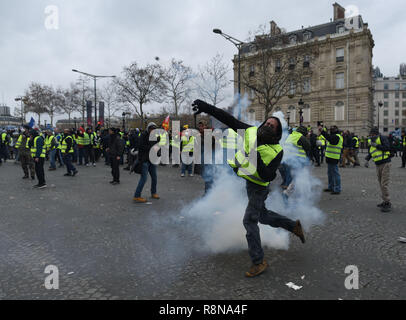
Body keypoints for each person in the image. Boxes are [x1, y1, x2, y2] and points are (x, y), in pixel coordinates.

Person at [193, 99, 305, 278]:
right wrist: (206, 107)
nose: (268, 125)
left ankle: (258, 261)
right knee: (263, 216)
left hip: (260, 187)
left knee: (249, 220)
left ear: (277, 131)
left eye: (272, 125)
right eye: (267, 122)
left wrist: (256, 157)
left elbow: (269, 176)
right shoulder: (250, 131)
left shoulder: (277, 150)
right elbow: (227, 118)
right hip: (249, 183)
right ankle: (293, 226)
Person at [364, 127, 392, 212]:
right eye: (370, 134)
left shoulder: (382, 138)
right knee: (381, 183)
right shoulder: (371, 141)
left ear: (376, 134)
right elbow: (371, 151)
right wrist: (367, 160)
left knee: (384, 183)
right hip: (378, 164)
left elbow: (387, 148)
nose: (371, 136)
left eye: (373, 134)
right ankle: (384, 200)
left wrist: (377, 145)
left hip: (385, 163)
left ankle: (387, 202)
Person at [133, 122, 160, 203]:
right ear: (148, 129)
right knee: (144, 178)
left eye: (154, 129)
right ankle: (137, 196)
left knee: (154, 177)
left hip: (152, 159)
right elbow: (140, 146)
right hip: (144, 160)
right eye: (151, 129)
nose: (152, 131)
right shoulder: (143, 135)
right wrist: (152, 148)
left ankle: (153, 192)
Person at [319, 125, 343, 195]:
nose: (331, 130)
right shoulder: (335, 136)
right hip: (330, 157)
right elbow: (329, 137)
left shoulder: (337, 136)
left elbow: (330, 139)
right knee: (330, 174)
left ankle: (337, 189)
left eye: (332, 129)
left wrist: (323, 132)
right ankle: (331, 187)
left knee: (335, 174)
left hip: (334, 157)